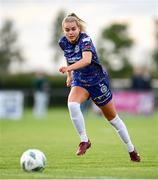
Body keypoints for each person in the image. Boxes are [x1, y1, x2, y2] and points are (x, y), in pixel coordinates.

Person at [58, 13, 140, 162]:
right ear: (63, 30)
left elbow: (86, 60)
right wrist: (69, 76)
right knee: (72, 105)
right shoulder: (63, 42)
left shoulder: (85, 40)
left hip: (98, 82)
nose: (70, 32)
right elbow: (69, 58)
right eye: (67, 30)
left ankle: (131, 149)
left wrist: (68, 69)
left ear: (78, 28)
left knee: (113, 119)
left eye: (73, 29)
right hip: (80, 82)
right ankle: (84, 141)